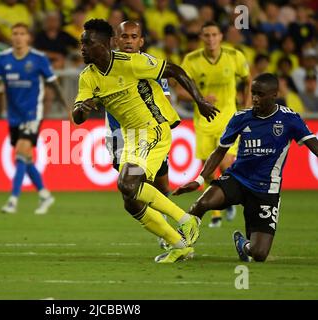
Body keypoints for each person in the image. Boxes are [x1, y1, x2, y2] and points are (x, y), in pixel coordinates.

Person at [73, 19, 219, 263]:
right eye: (81, 43)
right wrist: (83, 108)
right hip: (128, 136)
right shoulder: (87, 76)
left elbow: (175, 70)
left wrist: (200, 100)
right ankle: (179, 244)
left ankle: (187, 220)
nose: (83, 48)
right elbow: (77, 116)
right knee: (131, 201)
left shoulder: (132, 63)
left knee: (132, 185)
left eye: (88, 43)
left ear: (106, 44)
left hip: (153, 130)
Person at [173, 73, 318, 262]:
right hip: (237, 179)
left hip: (266, 189)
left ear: (274, 94)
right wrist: (199, 179)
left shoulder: (289, 119)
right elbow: (220, 151)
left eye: (260, 94)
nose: (255, 99)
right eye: (253, 93)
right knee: (203, 203)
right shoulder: (241, 117)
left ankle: (243, 244)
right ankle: (178, 244)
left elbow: (314, 145)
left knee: (259, 254)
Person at [0, 23, 69, 215]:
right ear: (11, 38)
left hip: (33, 114)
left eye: (22, 34)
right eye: (15, 34)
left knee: (20, 153)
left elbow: (54, 84)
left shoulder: (39, 59)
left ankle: (13, 200)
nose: (18, 37)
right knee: (26, 158)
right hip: (13, 116)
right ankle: (45, 195)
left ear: (28, 38)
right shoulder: (3, 59)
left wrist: (68, 108)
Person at [107, 20, 180, 250]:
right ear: (116, 40)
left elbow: (166, 99)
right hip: (118, 134)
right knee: (130, 193)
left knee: (160, 183)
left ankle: (170, 229)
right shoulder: (105, 65)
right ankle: (170, 230)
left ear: (141, 41)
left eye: (133, 36)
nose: (128, 41)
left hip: (148, 132)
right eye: (124, 37)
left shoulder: (152, 65)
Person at [178, 21, 252, 228]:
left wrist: (245, 109)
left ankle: (224, 203)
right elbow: (180, 92)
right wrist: (199, 98)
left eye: (214, 35)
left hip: (228, 120)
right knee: (208, 172)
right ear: (201, 38)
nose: (210, 39)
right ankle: (221, 207)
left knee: (226, 164)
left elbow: (248, 80)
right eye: (206, 35)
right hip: (204, 122)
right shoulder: (191, 60)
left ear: (221, 36)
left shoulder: (234, 56)